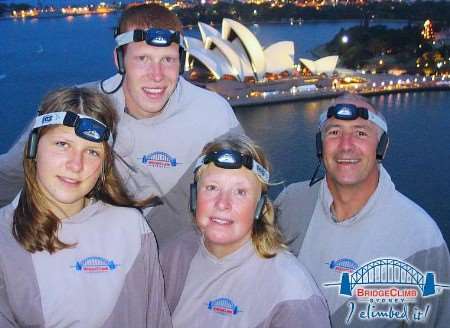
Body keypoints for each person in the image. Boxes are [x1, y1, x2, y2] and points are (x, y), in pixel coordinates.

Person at [0, 3, 242, 245]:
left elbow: (247, 189)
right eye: (143, 58)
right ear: (119, 60)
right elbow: (10, 176)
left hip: (180, 260)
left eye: (167, 59)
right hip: (100, 259)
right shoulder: (80, 109)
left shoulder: (213, 114)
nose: (157, 75)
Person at [0, 87, 171, 327]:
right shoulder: (5, 237)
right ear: (33, 148)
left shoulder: (132, 228)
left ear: (103, 166)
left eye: (91, 151)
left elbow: (156, 319)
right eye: (62, 144)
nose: (75, 164)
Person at [275, 94, 450, 327]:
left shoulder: (421, 237)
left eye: (360, 133)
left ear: (382, 146)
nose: (346, 146)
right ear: (320, 145)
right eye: (334, 132)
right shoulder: (289, 204)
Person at [160, 136, 331, 327]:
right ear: (194, 197)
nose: (222, 203)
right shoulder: (172, 256)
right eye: (212, 188)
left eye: (240, 192)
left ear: (259, 206)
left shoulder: (292, 295)